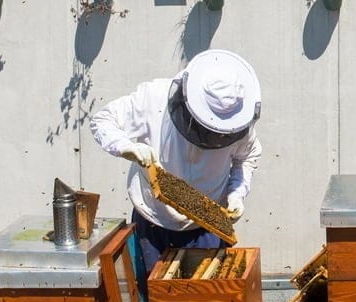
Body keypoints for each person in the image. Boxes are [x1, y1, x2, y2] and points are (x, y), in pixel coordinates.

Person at [89, 49, 263, 286]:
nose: (212, 136)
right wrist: (125, 146)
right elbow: (103, 120)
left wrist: (237, 194)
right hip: (153, 220)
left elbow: (247, 158)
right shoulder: (153, 97)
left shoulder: (237, 122)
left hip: (207, 226)